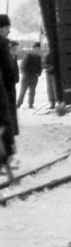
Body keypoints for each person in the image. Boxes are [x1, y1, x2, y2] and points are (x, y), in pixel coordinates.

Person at [0, 15, 18, 178]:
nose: (8, 31)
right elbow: (7, 69)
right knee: (5, 121)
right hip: (2, 90)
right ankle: (6, 159)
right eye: (6, 28)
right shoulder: (2, 42)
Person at [16, 42, 43, 109]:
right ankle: (18, 104)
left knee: (32, 92)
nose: (37, 50)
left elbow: (40, 67)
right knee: (23, 91)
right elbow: (22, 66)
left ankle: (30, 104)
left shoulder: (38, 58)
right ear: (33, 49)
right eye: (36, 48)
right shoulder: (28, 56)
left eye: (38, 49)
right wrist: (26, 73)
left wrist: (38, 73)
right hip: (26, 77)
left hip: (34, 77)